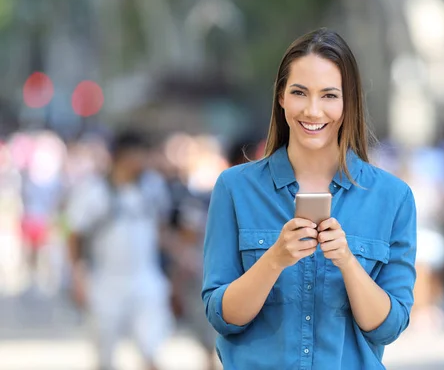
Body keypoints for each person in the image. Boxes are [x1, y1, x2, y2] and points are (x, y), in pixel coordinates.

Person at [202, 28, 417, 369]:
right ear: (282, 97)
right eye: (300, 92)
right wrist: (274, 259)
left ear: (349, 102)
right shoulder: (234, 188)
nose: (313, 111)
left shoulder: (393, 198)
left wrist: (347, 260)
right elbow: (222, 316)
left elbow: (388, 327)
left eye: (329, 96)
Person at [66, 131, 173, 370]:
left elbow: (161, 230)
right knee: (105, 355)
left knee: (151, 348)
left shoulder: (153, 187)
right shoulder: (93, 191)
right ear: (120, 157)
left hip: (146, 278)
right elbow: (74, 234)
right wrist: (77, 276)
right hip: (106, 282)